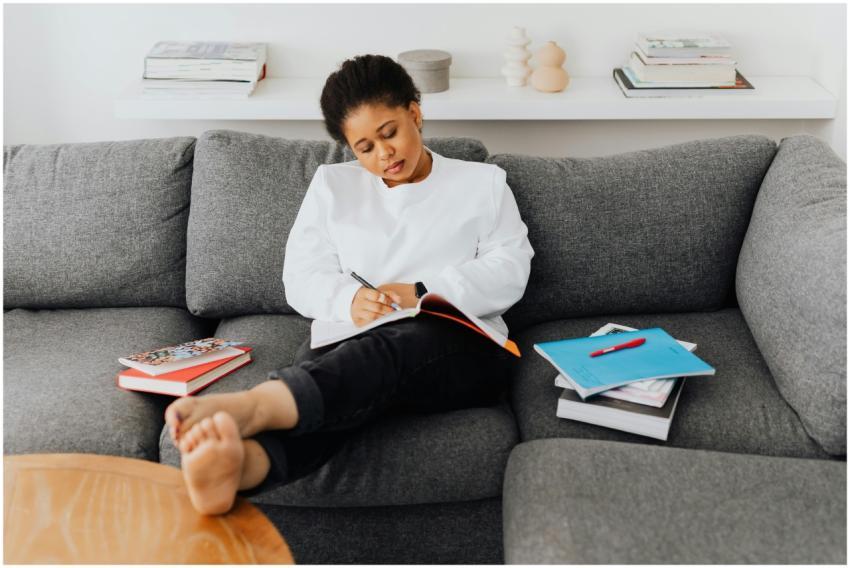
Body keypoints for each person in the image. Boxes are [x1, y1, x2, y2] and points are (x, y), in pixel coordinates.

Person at [164, 54, 535, 515]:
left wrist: (420, 291)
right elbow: (299, 276)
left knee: (393, 349)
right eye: (364, 147)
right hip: (352, 338)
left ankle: (257, 406)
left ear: (415, 113)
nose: (384, 154)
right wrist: (349, 299)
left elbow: (512, 268)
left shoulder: (483, 183)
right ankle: (241, 468)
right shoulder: (331, 186)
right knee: (348, 381)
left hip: (461, 346)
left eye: (390, 132)